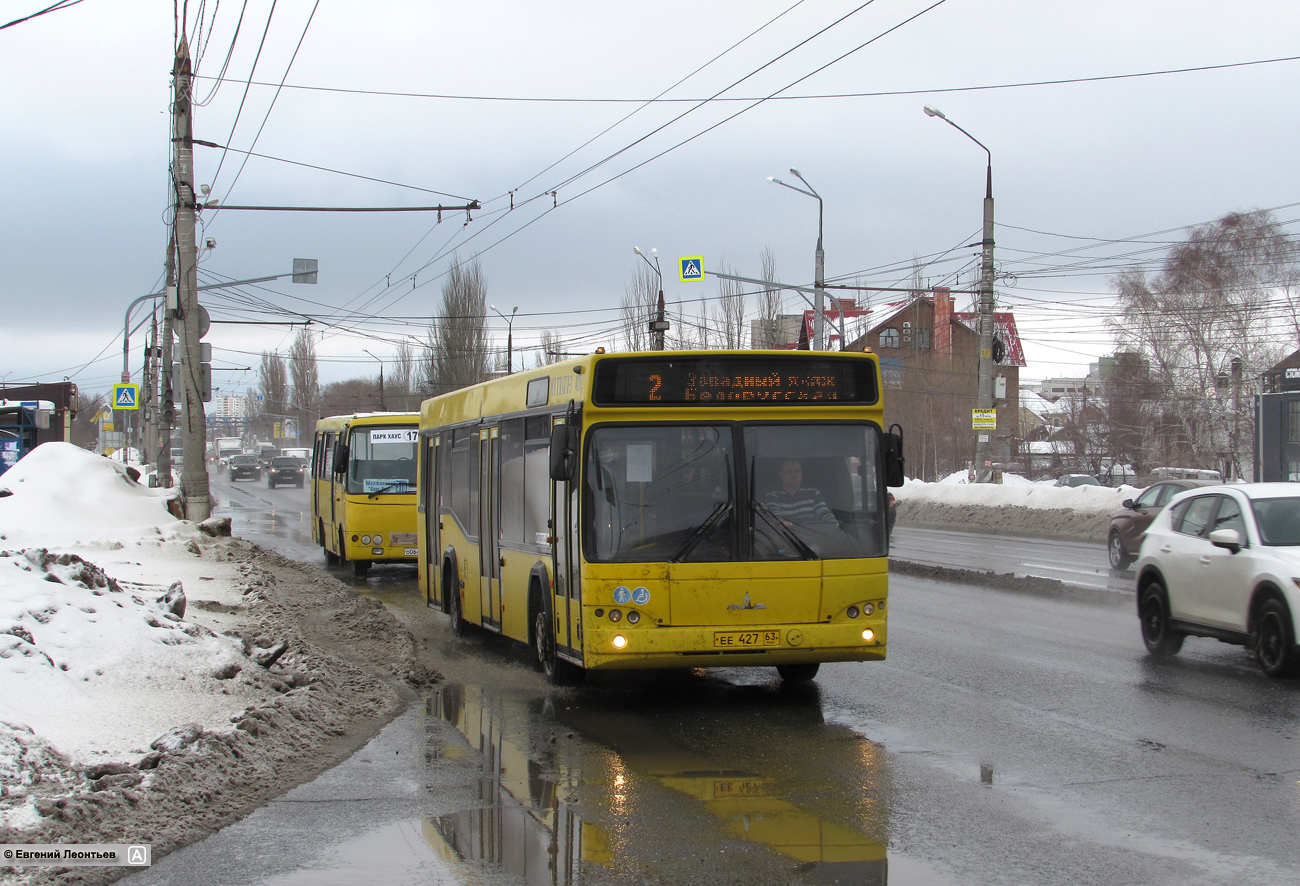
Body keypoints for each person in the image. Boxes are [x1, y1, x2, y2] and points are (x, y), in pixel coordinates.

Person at [763, 459, 836, 526]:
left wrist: (833, 521)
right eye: (789, 471)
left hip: (814, 535)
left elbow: (823, 513)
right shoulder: (773, 496)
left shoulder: (813, 493)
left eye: (797, 471)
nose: (794, 475)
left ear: (801, 474)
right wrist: (782, 523)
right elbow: (774, 516)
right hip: (787, 536)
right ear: (781, 475)